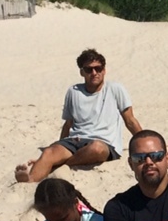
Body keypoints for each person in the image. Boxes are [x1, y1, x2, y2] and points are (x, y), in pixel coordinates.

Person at [15, 49, 142, 183]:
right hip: (75, 140)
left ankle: (61, 164)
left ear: (104, 70)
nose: (94, 73)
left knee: (96, 148)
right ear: (82, 72)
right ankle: (30, 180)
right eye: (88, 70)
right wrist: (58, 146)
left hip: (104, 143)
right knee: (48, 153)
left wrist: (145, 142)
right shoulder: (73, 91)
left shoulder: (115, 89)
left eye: (98, 68)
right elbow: (68, 123)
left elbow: (130, 120)